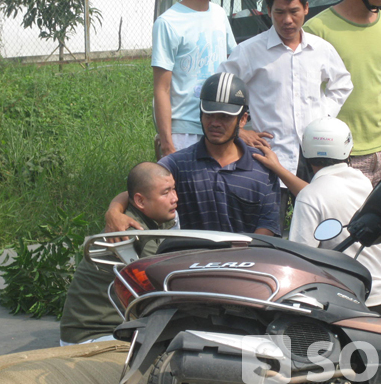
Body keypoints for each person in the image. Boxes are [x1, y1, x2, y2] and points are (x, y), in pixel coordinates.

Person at [304, 0, 381, 311]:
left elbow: (380, 78)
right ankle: (349, 292)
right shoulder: (318, 28)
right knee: (347, 228)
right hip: (341, 150)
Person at [255, 117, 381, 316]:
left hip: (353, 301)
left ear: (305, 152)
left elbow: (300, 259)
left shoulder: (310, 197)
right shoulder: (361, 181)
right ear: (348, 149)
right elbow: (321, 194)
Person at [217, 0, 352, 226]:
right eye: (279, 12)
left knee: (321, 222)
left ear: (306, 9)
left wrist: (322, 118)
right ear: (269, 11)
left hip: (314, 152)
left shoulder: (320, 49)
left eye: (294, 11)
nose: (287, 20)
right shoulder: (250, 51)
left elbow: (342, 84)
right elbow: (221, 89)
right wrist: (238, 131)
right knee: (270, 229)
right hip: (270, 155)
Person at [106, 73, 281, 237]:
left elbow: (267, 225)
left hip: (245, 264)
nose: (215, 123)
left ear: (243, 119)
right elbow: (143, 187)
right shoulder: (180, 163)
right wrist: (114, 212)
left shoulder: (262, 167)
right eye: (209, 114)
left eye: (224, 117)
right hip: (191, 263)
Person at [60, 162, 178, 345]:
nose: (175, 198)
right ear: (140, 201)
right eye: (166, 193)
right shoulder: (134, 234)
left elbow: (131, 192)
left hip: (115, 327)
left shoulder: (150, 216)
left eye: (174, 189)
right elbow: (166, 288)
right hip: (93, 336)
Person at [152, 0, 237, 158]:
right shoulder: (168, 22)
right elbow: (161, 88)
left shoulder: (219, 14)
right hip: (185, 131)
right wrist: (167, 145)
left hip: (220, 125)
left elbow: (233, 63)